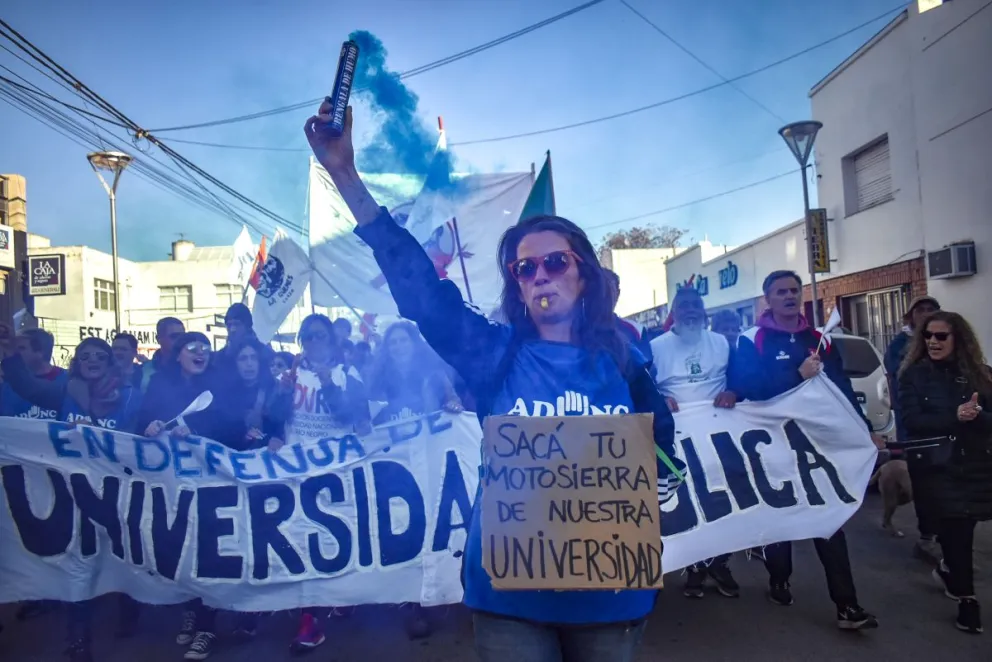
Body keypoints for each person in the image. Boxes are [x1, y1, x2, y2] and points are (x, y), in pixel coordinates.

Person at [306, 103, 684, 662]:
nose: (539, 276)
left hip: (610, 600)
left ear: (583, 272)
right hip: (511, 598)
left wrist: (657, 479)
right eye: (524, 269)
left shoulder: (623, 359)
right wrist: (345, 177)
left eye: (554, 262)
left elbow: (661, 442)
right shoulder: (491, 354)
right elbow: (420, 292)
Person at [732, 270, 881, 630]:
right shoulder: (751, 339)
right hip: (772, 444)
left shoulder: (820, 338)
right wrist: (796, 376)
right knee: (780, 519)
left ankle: (847, 605)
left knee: (829, 519)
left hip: (815, 443)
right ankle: (778, 578)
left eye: (794, 290)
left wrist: (865, 429)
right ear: (767, 298)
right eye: (780, 291)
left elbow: (841, 388)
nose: (789, 296)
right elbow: (748, 388)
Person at [135, 331, 250, 660]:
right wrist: (151, 426)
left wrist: (198, 434)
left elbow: (233, 430)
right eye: (193, 348)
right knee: (181, 549)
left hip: (210, 486)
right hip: (173, 486)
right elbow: (140, 422)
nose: (200, 353)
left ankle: (207, 627)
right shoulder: (159, 384)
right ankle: (192, 610)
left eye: (205, 348)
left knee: (208, 553)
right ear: (179, 354)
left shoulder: (219, 386)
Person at [280, 313, 371, 654]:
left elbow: (352, 416)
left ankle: (343, 595)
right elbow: (275, 419)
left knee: (337, 539)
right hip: (298, 471)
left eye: (320, 336)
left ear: (332, 341)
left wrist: (328, 384)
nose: (313, 342)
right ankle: (309, 619)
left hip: (336, 471)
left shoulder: (348, 375)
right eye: (308, 336)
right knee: (305, 542)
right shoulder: (290, 374)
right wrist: (281, 392)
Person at [897, 311, 991, 635]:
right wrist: (955, 416)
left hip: (974, 465)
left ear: (958, 340)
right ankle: (968, 601)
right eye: (928, 336)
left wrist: (977, 416)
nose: (933, 342)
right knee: (954, 529)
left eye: (941, 336)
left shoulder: (981, 377)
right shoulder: (912, 376)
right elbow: (912, 421)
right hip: (934, 466)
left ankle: (951, 570)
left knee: (962, 528)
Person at [650, 286, 740, 599]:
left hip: (717, 435)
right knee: (685, 503)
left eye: (695, 306)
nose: (690, 311)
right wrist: (662, 398)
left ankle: (717, 563)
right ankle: (691, 567)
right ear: (673, 312)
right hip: (676, 439)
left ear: (703, 312)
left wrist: (734, 392)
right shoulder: (655, 347)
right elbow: (645, 387)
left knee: (720, 501)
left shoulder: (722, 344)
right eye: (683, 306)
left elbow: (741, 378)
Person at [884, 295, 941, 563]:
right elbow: (900, 372)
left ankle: (944, 535)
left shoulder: (941, 336)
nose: (926, 313)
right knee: (923, 480)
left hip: (943, 420)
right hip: (914, 421)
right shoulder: (901, 344)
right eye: (921, 310)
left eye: (932, 309)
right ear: (911, 315)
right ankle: (927, 537)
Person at [0, 327, 66, 419]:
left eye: (21, 348)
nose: (15, 353)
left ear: (40, 352)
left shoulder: (68, 383)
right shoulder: (6, 387)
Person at [141, 317, 185, 391]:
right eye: (174, 337)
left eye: (182, 336)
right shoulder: (142, 371)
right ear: (159, 339)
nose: (180, 341)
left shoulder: (192, 369)